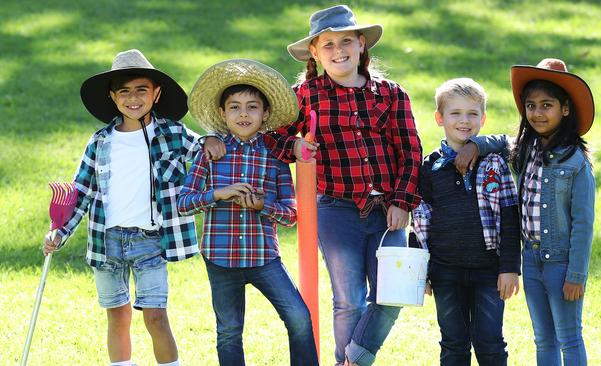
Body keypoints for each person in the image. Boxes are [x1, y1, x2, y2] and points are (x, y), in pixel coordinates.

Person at [42, 49, 224, 366]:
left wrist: (209, 139)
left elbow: (203, 152)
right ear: (113, 98)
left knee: (155, 316)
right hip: (107, 241)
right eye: (124, 91)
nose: (133, 98)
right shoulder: (100, 141)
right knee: (118, 315)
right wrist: (60, 232)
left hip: (151, 240)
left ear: (156, 93)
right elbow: (81, 191)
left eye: (141, 89)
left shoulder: (174, 134)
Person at [264, 5, 422, 366]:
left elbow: (410, 149)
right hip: (335, 209)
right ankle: (346, 362)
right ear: (315, 53)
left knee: (392, 294)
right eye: (329, 44)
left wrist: (402, 200)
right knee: (349, 298)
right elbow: (271, 136)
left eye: (346, 41)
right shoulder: (304, 95)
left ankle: (353, 360)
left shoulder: (391, 94)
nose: (339, 51)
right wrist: (295, 146)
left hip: (387, 210)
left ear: (361, 44)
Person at [177, 59, 319, 366]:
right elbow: (184, 202)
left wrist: (262, 206)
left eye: (252, 107)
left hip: (263, 257)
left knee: (298, 318)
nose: (243, 114)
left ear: (265, 114)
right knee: (229, 331)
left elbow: (292, 214)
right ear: (221, 113)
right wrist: (219, 194)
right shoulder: (210, 152)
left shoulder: (275, 157)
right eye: (235, 107)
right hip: (220, 256)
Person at [471, 58, 596, 365]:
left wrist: (576, 275)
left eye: (547, 105)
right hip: (531, 259)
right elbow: (501, 142)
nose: (537, 113)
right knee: (543, 338)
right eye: (531, 105)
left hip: (561, 262)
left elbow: (583, 223)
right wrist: (476, 145)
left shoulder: (576, 162)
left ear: (565, 109)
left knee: (569, 336)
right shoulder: (527, 148)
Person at [410, 78, 520, 365]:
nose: (464, 120)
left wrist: (509, 268)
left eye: (472, 114)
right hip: (445, 271)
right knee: (453, 343)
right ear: (439, 118)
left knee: (490, 343)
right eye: (455, 113)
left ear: (483, 119)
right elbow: (420, 220)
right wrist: (422, 270)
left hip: (489, 271)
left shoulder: (494, 163)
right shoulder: (430, 166)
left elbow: (509, 217)